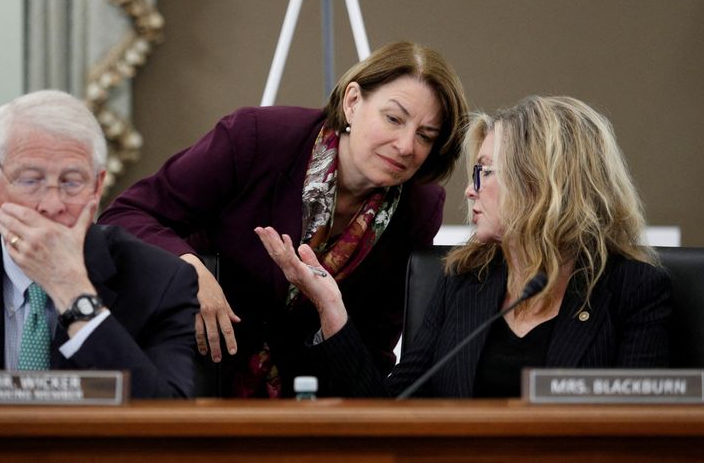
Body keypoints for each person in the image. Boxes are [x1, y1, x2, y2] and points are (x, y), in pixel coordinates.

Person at [98, 41, 469, 397]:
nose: (406, 145)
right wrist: (189, 271)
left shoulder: (419, 207)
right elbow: (125, 215)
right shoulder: (257, 137)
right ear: (353, 101)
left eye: (425, 135)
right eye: (393, 118)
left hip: (310, 408)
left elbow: (374, 349)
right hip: (195, 376)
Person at [256, 95, 672, 398]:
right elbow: (391, 412)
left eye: (486, 173)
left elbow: (639, 437)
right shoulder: (464, 281)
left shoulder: (632, 291)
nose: (471, 193)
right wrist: (332, 310)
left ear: (544, 184)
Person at [0, 90, 199, 400]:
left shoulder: (161, 281)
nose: (52, 205)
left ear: (96, 188)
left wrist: (72, 291)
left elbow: (165, 423)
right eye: (30, 180)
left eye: (71, 182)